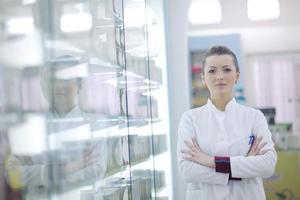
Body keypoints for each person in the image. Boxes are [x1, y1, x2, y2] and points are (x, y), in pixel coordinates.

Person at [177, 46, 277, 200]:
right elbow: (187, 170)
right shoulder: (190, 119)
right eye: (212, 71)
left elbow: (268, 165)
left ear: (237, 75)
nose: (219, 76)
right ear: (203, 77)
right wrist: (241, 169)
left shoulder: (254, 117)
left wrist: (209, 161)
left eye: (226, 70)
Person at [5, 55, 108, 199]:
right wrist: (68, 169)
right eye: (54, 80)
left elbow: (95, 171)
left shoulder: (95, 124)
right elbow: (12, 174)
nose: (60, 86)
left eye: (66, 79)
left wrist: (39, 178)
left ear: (79, 84)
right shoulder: (31, 126)